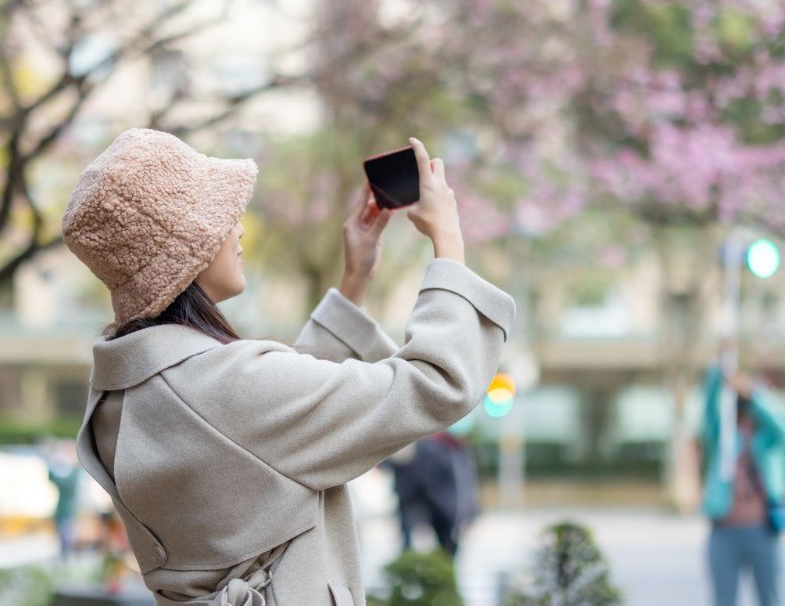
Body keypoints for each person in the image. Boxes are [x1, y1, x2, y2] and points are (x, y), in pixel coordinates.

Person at [62, 129, 514, 606]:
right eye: (223, 216)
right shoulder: (227, 386)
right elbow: (435, 385)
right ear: (187, 251)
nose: (238, 228)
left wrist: (354, 279)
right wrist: (449, 244)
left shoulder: (126, 394)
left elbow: (265, 437)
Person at [700, 364, 785, 606]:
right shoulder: (722, 437)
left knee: (770, 598)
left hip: (762, 529)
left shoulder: (770, 441)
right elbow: (709, 413)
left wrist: (752, 392)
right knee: (723, 600)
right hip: (723, 529)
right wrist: (719, 375)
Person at [389, 427, 479, 558]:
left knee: (446, 554)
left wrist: (469, 514)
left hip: (447, 512)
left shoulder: (453, 448)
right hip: (433, 511)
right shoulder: (435, 447)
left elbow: (465, 485)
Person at [45, 440, 83, 563]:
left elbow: (59, 481)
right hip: (63, 512)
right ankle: (65, 562)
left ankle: (66, 562)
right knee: (63, 540)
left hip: (67, 513)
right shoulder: (72, 472)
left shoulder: (75, 473)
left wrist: (51, 461)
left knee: (66, 541)